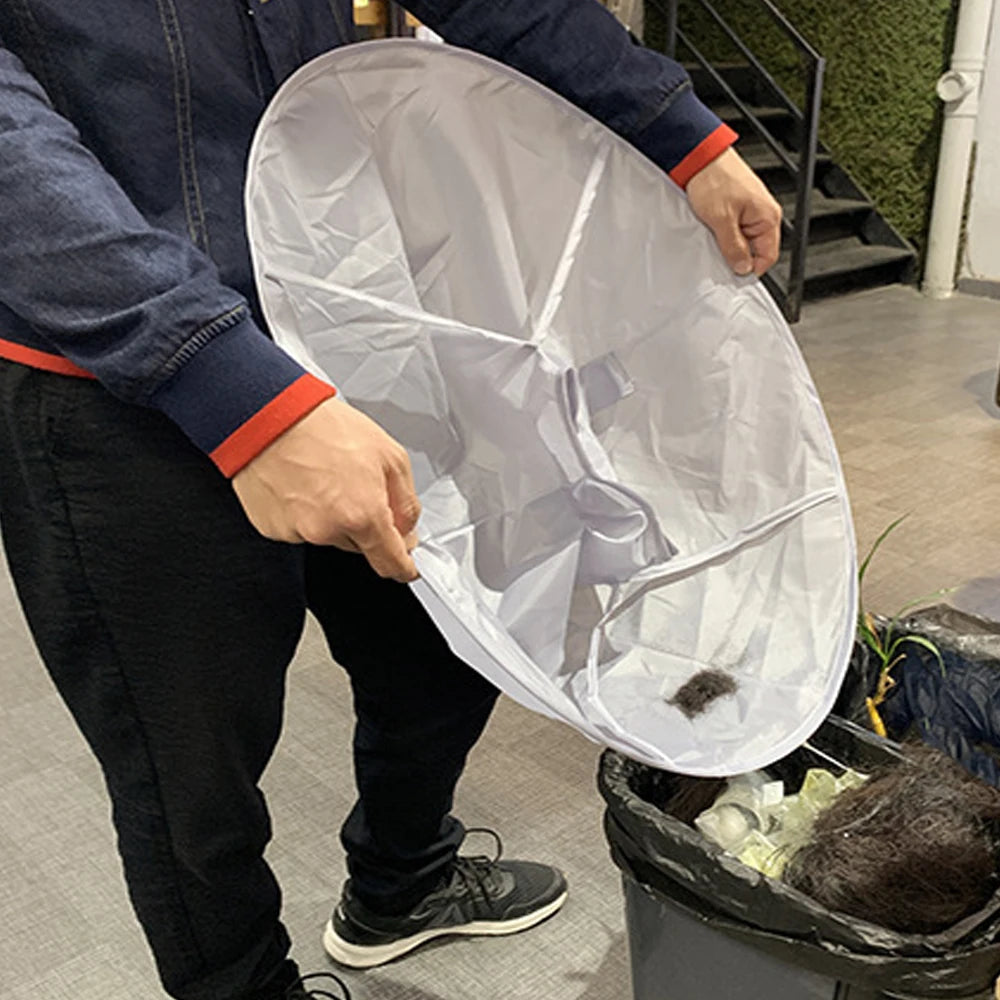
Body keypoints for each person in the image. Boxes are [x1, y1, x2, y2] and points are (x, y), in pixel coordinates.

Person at [0, 2, 781, 999]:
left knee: (446, 640)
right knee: (188, 770)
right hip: (113, 371)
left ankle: (399, 882)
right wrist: (221, 379)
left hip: (332, 304)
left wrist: (681, 133)